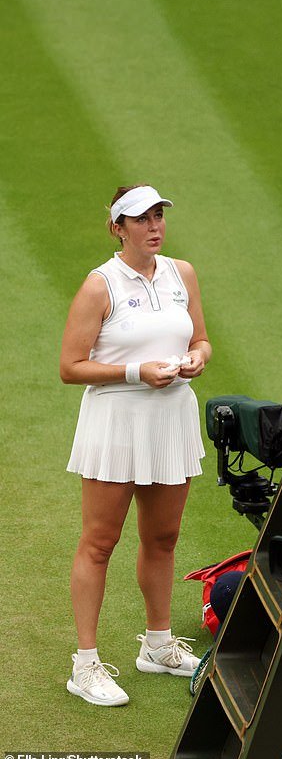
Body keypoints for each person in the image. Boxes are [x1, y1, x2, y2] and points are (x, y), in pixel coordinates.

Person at [60, 184, 212, 706]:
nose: (154, 226)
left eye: (158, 216)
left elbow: (200, 338)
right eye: (140, 219)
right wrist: (135, 371)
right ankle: (85, 666)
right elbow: (70, 366)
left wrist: (197, 359)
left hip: (171, 418)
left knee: (164, 537)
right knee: (100, 543)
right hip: (116, 421)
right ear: (117, 228)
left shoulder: (182, 273)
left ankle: (159, 644)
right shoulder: (98, 286)